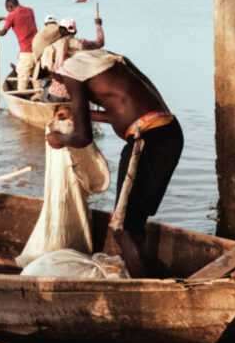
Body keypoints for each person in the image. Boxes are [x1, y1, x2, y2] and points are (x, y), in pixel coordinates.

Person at [46, 49, 182, 277]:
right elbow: (122, 115)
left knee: (121, 229)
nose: (59, 82)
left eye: (54, 77)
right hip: (168, 133)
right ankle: (149, 276)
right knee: (134, 223)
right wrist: (77, 114)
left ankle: (145, 291)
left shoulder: (70, 70)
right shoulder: (105, 61)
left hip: (146, 140)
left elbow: (82, 137)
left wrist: (59, 139)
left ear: (53, 67)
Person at [42, 15, 105, 102]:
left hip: (55, 95)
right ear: (75, 31)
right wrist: (98, 25)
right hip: (75, 95)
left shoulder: (55, 45)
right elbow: (100, 42)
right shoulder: (83, 43)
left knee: (45, 89)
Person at [0, 0, 38, 90]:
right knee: (37, 76)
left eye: (8, 10)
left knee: (22, 78)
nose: (8, 13)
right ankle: (39, 94)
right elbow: (18, 17)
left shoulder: (11, 15)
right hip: (38, 50)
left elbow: (3, 32)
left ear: (9, 6)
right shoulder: (30, 10)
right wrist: (3, 18)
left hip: (26, 52)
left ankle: (21, 96)